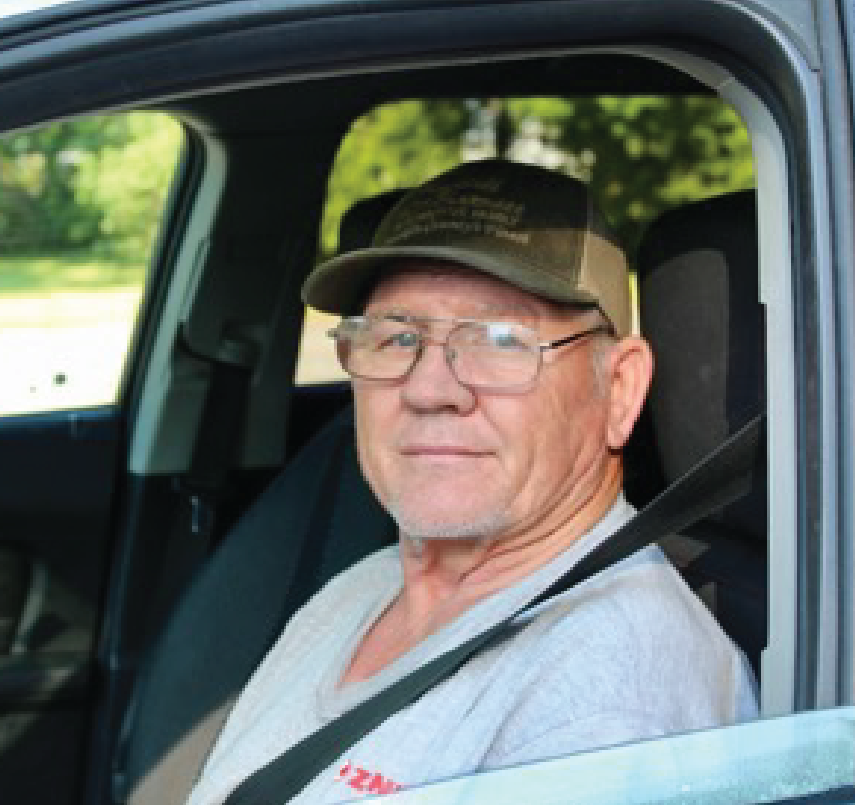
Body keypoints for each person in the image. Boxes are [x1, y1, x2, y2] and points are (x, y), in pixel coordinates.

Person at [187, 159, 758, 805]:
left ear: (619, 388)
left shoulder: (610, 698)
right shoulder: (358, 591)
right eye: (396, 338)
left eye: (501, 340)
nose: (429, 388)